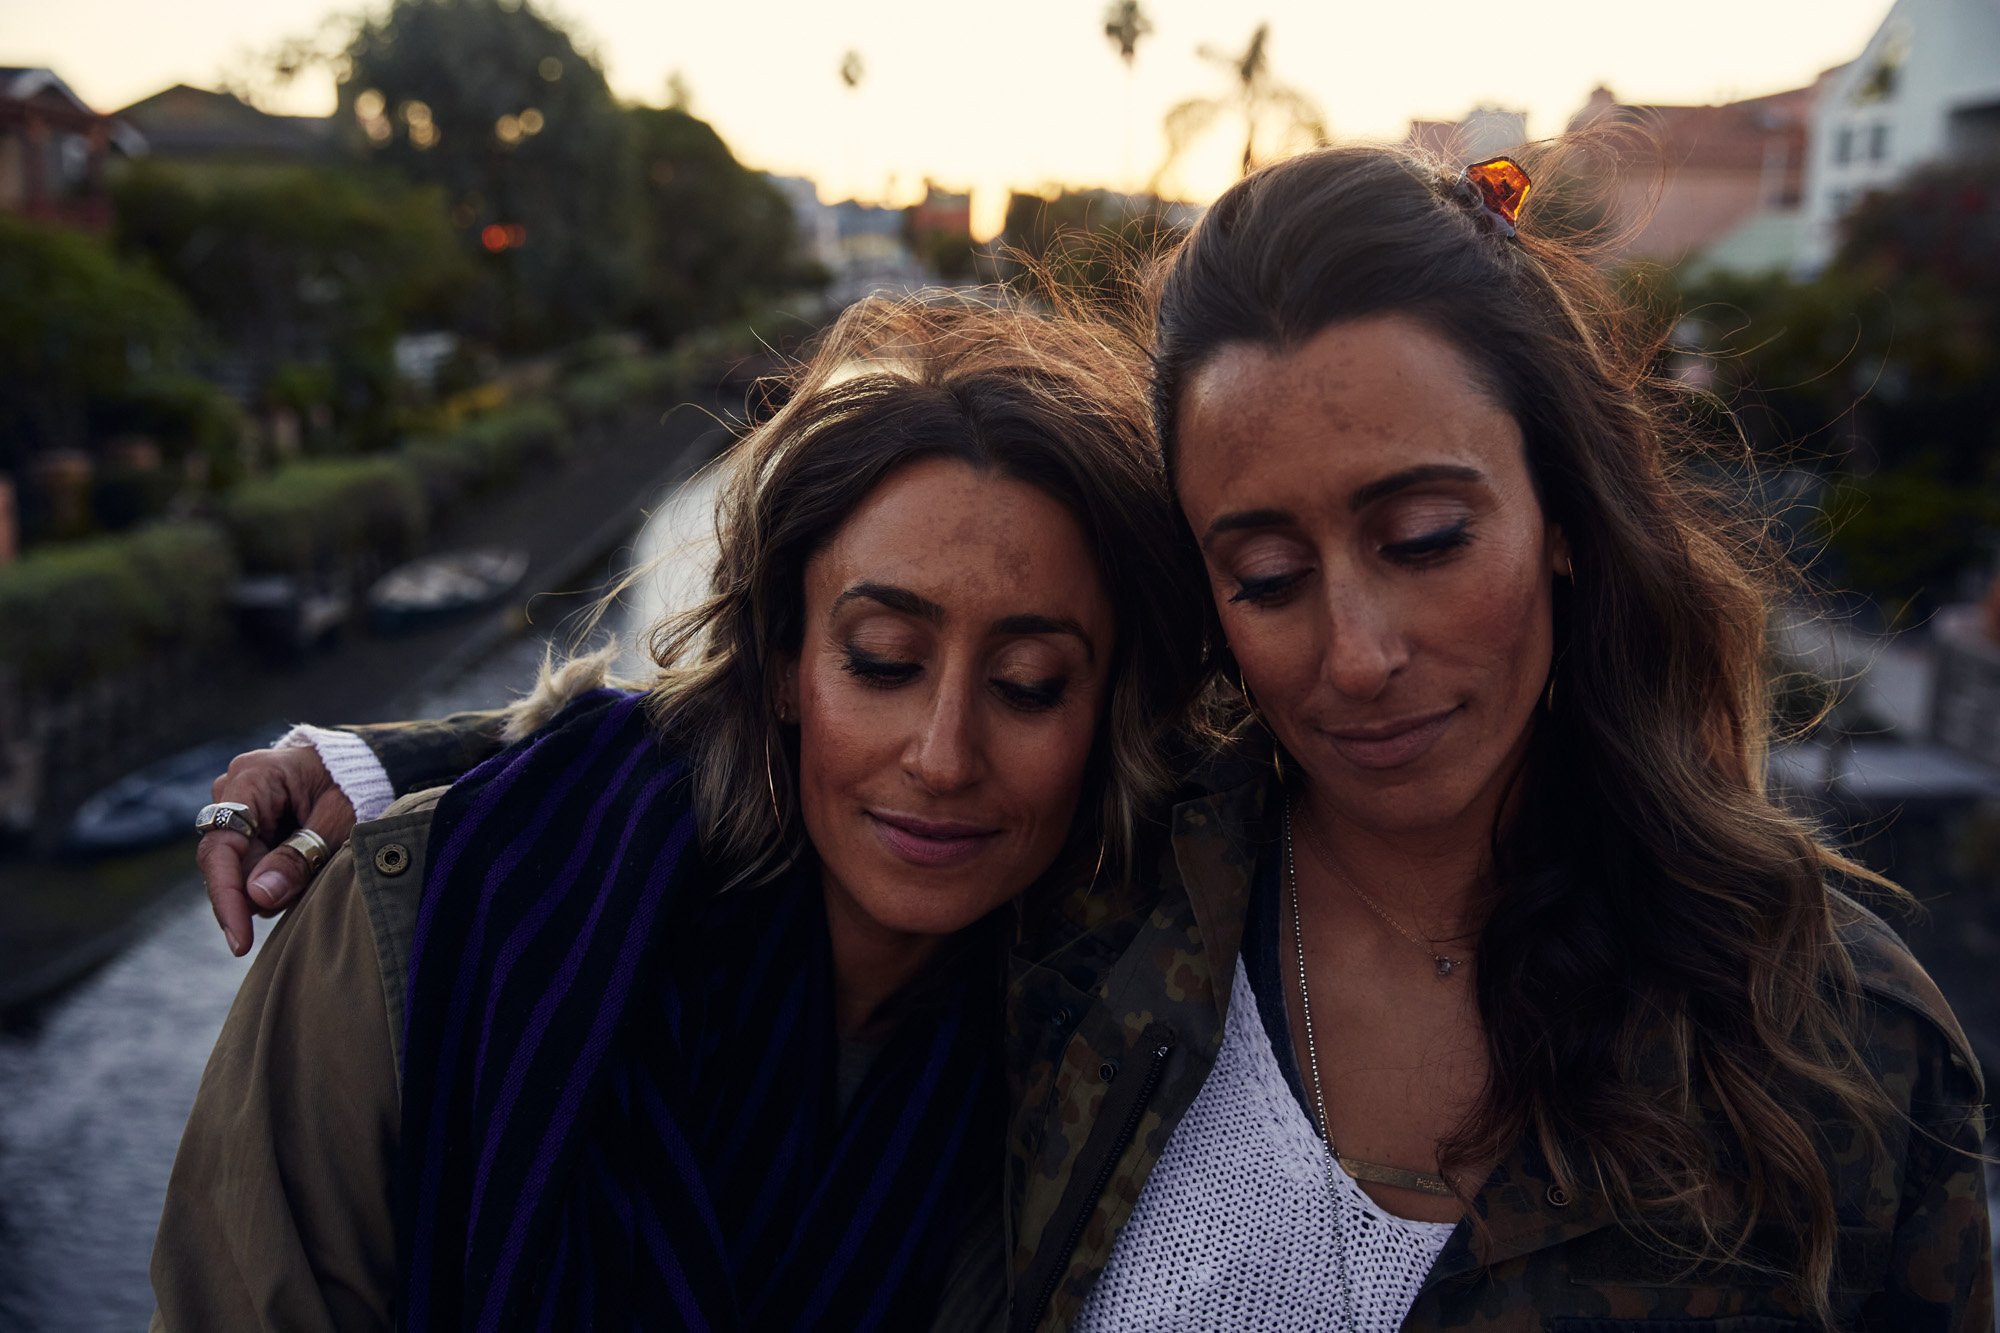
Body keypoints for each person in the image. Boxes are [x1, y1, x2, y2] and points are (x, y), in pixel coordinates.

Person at [201, 146, 1991, 1331]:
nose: (1359, 653)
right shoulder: (1131, 877)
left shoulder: (1843, 1051)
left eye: (1428, 538)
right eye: (1266, 570)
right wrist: (406, 774)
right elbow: (790, 736)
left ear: (1569, 513)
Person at [154, 295, 1205, 1332]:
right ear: (782, 662)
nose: (941, 756)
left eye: (1027, 683)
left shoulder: (1094, 1053)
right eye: (882, 661)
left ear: (1109, 711)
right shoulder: (419, 918)